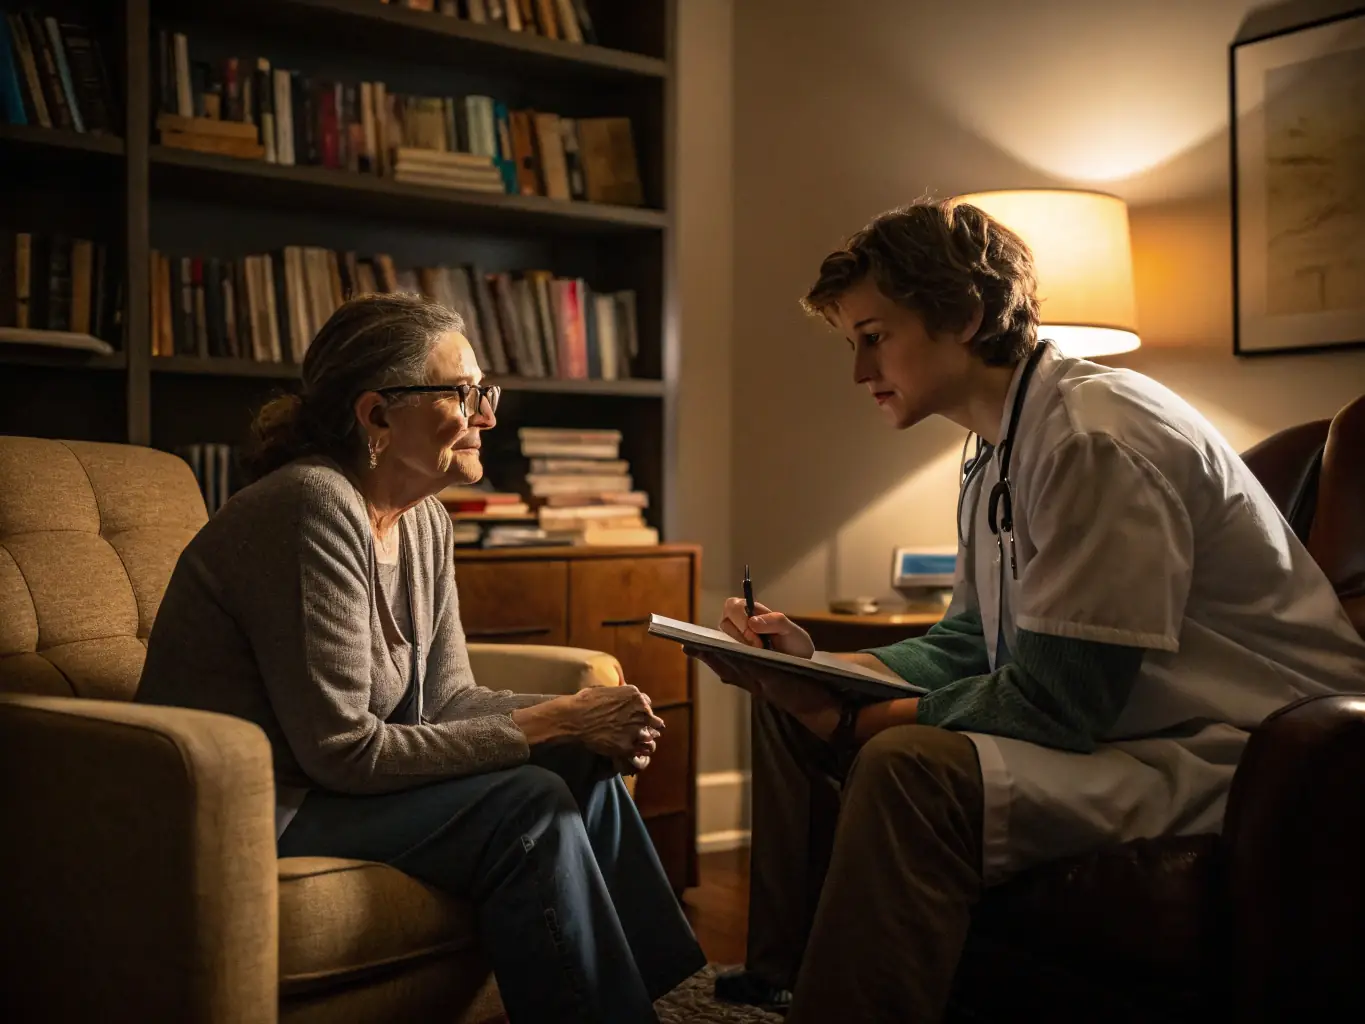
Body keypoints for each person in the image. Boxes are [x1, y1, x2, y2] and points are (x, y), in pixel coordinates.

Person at [691, 199, 1365, 1023]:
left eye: (875, 337)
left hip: (1239, 757)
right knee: (783, 700)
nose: (859, 372)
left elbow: (1056, 701)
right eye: (851, 344)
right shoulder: (995, 448)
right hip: (1123, 731)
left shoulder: (1093, 437)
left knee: (907, 766)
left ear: (966, 315)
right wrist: (822, 668)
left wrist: (847, 719)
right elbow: (971, 641)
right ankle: (782, 980)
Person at [136, 292, 705, 1023]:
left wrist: (579, 722)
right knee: (526, 801)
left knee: (577, 763)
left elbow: (447, 699)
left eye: (484, 393)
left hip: (334, 787)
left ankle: (646, 999)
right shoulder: (309, 506)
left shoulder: (425, 520)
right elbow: (341, 752)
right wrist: (556, 719)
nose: (488, 417)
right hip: (261, 805)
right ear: (376, 415)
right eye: (465, 395)